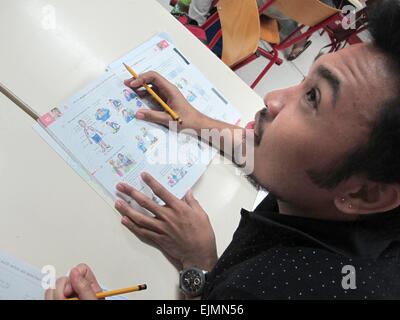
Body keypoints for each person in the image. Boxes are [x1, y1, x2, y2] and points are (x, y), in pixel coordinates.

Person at [47, 1, 400, 300]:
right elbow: (265, 149)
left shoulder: (279, 286)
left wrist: (200, 271)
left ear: (365, 194)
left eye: (313, 98)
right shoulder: (356, 187)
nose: (273, 98)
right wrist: (195, 120)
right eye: (306, 80)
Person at [186, 0, 336, 60]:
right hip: (289, 11)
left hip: (255, 3)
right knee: (294, 7)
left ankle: (193, 22)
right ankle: (297, 39)